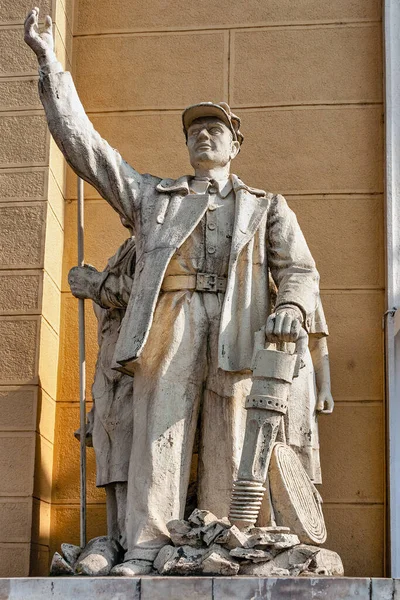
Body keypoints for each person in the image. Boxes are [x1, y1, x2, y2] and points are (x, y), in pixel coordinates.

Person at [24, 7, 323, 575]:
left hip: (237, 319)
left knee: (229, 426)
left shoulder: (265, 207)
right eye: (194, 131)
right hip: (172, 315)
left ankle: (215, 540)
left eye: (215, 130)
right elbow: (89, 151)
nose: (203, 136)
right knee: (161, 426)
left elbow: (300, 271)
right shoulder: (152, 198)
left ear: (235, 145)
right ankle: (144, 546)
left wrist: (288, 304)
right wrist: (51, 66)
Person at [69, 229, 136, 550]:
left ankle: (131, 539)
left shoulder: (154, 246)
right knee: (111, 459)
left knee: (127, 456)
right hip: (108, 369)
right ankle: (116, 538)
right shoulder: (125, 248)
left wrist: (94, 285)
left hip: (133, 366)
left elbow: (148, 293)